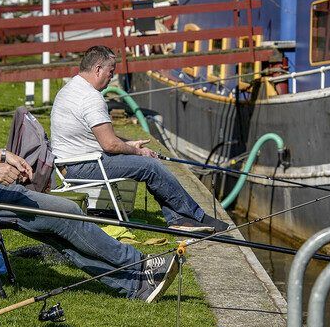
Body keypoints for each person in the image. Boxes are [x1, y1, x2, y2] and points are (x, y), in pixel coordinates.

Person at [0, 50, 178, 303]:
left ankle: (135, 284)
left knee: (57, 225)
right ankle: (139, 265)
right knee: (65, 213)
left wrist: (1, 154)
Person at [50, 45, 230, 232]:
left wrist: (128, 145)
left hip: (68, 164)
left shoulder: (72, 87)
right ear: (97, 69)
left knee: (147, 164)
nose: (111, 77)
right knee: (150, 166)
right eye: (111, 72)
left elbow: (97, 135)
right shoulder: (91, 98)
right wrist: (138, 151)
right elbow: (110, 144)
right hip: (80, 168)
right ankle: (196, 216)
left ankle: (179, 219)